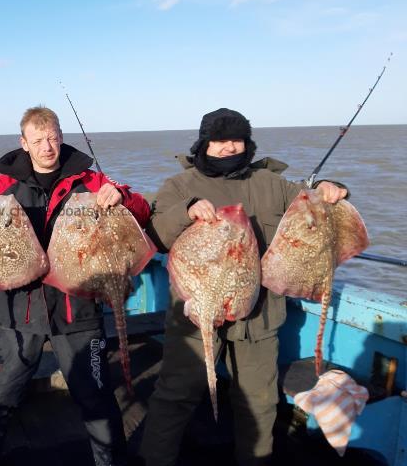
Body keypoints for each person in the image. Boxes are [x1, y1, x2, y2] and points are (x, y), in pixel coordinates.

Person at [139, 108, 348, 466]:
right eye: (219, 141)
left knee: (259, 401)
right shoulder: (179, 186)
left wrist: (331, 187)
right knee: (176, 395)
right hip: (197, 309)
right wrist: (185, 211)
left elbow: (311, 203)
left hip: (260, 313)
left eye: (235, 140)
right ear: (204, 143)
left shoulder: (270, 184)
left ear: (247, 143)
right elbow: (155, 235)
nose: (227, 148)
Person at [0, 106, 151, 466]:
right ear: (24, 143)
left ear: (61, 138)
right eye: (38, 140)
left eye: (53, 138)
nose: (47, 146)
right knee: (2, 391)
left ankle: (111, 461)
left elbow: (142, 210)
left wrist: (122, 196)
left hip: (78, 307)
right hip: (18, 309)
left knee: (95, 395)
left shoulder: (91, 181)